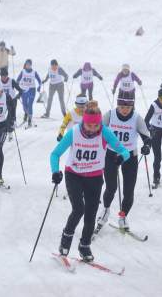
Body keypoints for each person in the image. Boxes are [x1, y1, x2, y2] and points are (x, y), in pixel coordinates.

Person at [50, 100, 130, 262]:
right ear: (83, 122)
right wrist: (55, 172)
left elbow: (124, 150)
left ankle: (84, 245)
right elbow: (55, 154)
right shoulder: (74, 132)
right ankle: (65, 240)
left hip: (94, 177)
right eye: (89, 125)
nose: (93, 129)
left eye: (96, 126)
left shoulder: (105, 132)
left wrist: (121, 157)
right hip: (74, 175)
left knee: (91, 214)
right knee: (78, 209)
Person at [97, 91, 151, 231]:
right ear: (117, 105)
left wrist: (147, 146)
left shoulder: (137, 118)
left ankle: (123, 215)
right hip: (111, 155)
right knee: (111, 187)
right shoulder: (110, 115)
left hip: (130, 157)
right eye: (122, 107)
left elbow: (147, 137)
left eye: (128, 107)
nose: (125, 110)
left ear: (132, 106)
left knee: (128, 191)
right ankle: (105, 210)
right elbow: (97, 130)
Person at [16, 59, 42, 127]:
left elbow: (39, 81)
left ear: (31, 65)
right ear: (25, 65)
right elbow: (17, 80)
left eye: (29, 64)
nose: (28, 66)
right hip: (24, 90)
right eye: (27, 64)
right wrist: (17, 85)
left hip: (31, 90)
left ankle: (29, 119)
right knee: (24, 105)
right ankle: (26, 114)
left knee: (30, 105)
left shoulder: (34, 72)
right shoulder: (23, 71)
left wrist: (39, 87)